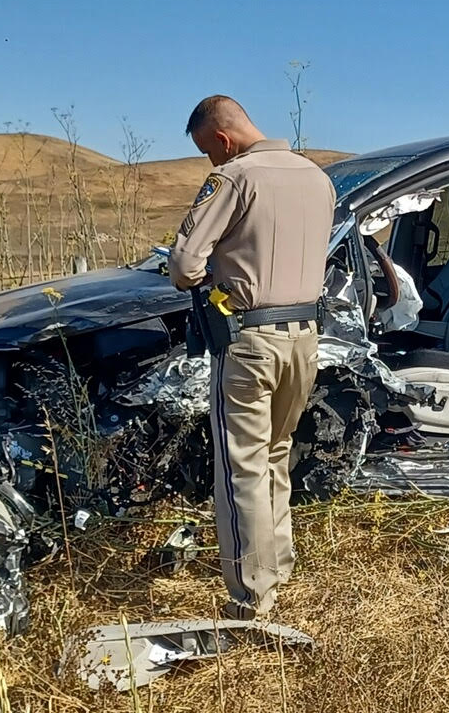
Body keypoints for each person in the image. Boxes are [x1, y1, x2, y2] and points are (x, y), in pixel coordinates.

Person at [168, 95, 334, 620]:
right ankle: (278, 564)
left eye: (208, 153)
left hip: (249, 340)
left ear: (221, 139)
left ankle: (251, 596)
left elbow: (183, 265)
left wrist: (212, 273)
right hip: (306, 337)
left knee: (241, 465)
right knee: (277, 452)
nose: (212, 164)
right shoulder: (317, 177)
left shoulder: (236, 177)